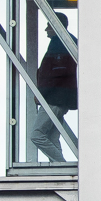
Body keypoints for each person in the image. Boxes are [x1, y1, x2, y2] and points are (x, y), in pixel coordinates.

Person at [32, 12, 78, 163]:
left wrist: (41, 93)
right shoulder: (67, 42)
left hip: (54, 97)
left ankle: (61, 166)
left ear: (56, 25)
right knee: (52, 137)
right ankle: (59, 168)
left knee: (37, 135)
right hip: (61, 98)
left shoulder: (61, 43)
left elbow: (56, 73)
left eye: (48, 25)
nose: (46, 29)